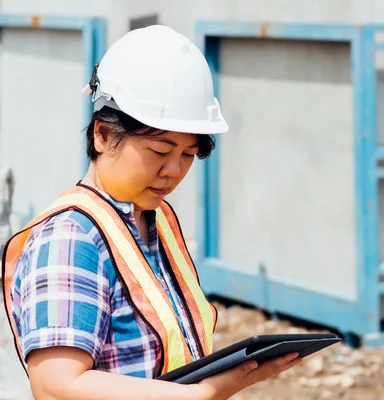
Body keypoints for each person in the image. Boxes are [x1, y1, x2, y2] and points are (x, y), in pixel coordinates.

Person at [1, 25, 302, 400]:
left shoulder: (155, 220)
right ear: (103, 135)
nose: (173, 171)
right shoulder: (72, 236)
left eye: (188, 155)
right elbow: (56, 385)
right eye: (160, 152)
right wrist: (200, 394)